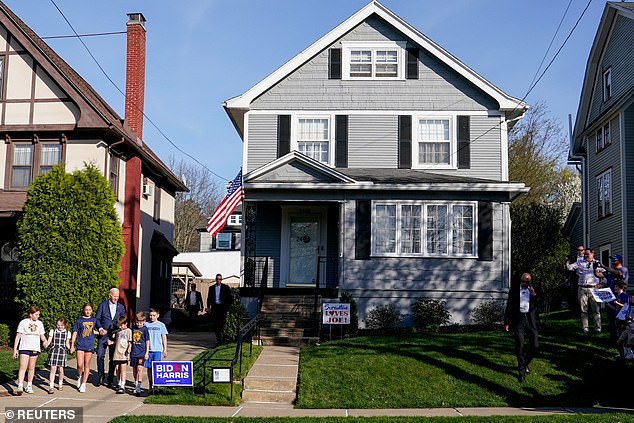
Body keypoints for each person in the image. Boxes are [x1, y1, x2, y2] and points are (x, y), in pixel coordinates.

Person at [504, 273, 539, 382]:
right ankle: (521, 372)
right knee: (520, 346)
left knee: (535, 345)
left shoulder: (533, 290)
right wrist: (507, 322)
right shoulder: (514, 290)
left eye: (528, 282)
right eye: (524, 281)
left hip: (530, 321)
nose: (526, 284)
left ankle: (524, 364)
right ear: (521, 280)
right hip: (518, 320)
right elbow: (509, 306)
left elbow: (539, 304)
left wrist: (534, 295)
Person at [566, 248, 604, 333]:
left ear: (592, 254)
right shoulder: (580, 263)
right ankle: (585, 328)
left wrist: (601, 284)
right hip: (582, 288)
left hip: (594, 289)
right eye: (585, 254)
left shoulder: (597, 263)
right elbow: (569, 268)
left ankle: (598, 328)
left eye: (588, 254)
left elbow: (604, 275)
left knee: (596, 310)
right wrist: (567, 261)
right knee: (583, 310)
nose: (586, 256)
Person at [13, 306, 48, 395]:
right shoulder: (23, 322)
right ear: (30, 314)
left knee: (31, 367)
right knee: (23, 367)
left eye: (38, 314)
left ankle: (29, 385)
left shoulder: (40, 323)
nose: (38, 316)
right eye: (36, 314)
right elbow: (18, 336)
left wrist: (45, 341)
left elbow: (42, 335)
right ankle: (20, 385)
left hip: (35, 348)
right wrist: (15, 349)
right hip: (24, 347)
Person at [96, 287, 126, 387]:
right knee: (100, 355)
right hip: (103, 334)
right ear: (110, 295)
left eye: (117, 296)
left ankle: (110, 379)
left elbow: (123, 321)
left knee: (113, 358)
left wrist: (117, 331)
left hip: (115, 335)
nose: (116, 298)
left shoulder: (121, 307)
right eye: (114, 296)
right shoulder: (102, 305)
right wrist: (100, 329)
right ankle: (100, 375)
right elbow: (97, 319)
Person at [70, 303, 101, 393]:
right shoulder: (79, 320)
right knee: (80, 364)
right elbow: (75, 332)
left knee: (87, 364)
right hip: (80, 345)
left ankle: (84, 383)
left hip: (89, 345)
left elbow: (99, 328)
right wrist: (72, 345)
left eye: (90, 310)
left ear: (92, 310)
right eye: (86, 309)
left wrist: (101, 330)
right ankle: (79, 376)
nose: (88, 311)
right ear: (83, 310)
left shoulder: (94, 320)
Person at [144, 308, 168, 393]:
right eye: (150, 315)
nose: (152, 317)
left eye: (154, 315)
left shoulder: (161, 325)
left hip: (158, 350)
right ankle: (150, 385)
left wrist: (165, 349)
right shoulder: (146, 325)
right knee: (149, 368)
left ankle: (156, 386)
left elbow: (164, 337)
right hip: (149, 350)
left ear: (158, 315)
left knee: (156, 368)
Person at [45, 317, 71, 394]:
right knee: (53, 369)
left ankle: (60, 383)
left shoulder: (67, 333)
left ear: (65, 325)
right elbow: (49, 341)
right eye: (58, 325)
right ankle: (51, 386)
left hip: (62, 352)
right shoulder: (52, 331)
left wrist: (70, 348)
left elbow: (67, 343)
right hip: (54, 351)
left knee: (60, 369)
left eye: (62, 325)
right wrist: (46, 344)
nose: (60, 327)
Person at [108, 315, 132, 394]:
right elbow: (117, 341)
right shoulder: (117, 332)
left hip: (123, 353)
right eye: (119, 325)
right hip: (117, 353)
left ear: (125, 324)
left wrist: (128, 352)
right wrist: (112, 342)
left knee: (123, 369)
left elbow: (129, 342)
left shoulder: (128, 331)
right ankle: (118, 382)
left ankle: (123, 385)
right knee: (117, 369)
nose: (120, 327)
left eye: (122, 325)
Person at [207, 273, 232, 345]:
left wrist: (227, 308)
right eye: (217, 279)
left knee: (222, 324)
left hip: (222, 307)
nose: (218, 281)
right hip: (215, 307)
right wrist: (208, 307)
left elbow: (229, 298)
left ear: (221, 280)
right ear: (215, 280)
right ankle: (218, 340)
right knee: (216, 324)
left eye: (220, 279)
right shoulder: (211, 288)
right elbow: (209, 298)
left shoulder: (225, 287)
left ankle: (222, 338)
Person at [130, 311, 150, 396]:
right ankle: (135, 382)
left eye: (141, 322)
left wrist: (146, 352)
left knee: (139, 369)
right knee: (134, 369)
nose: (139, 324)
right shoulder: (133, 328)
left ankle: (138, 385)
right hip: (134, 352)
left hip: (141, 352)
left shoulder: (145, 329)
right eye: (137, 322)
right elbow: (130, 340)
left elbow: (147, 341)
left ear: (144, 321)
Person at [617, 291, 634, 360]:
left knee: (630, 342)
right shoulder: (629, 306)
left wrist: (631, 318)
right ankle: (624, 353)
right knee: (620, 341)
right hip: (627, 325)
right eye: (630, 297)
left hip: (633, 327)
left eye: (632, 297)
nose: (630, 299)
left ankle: (630, 354)